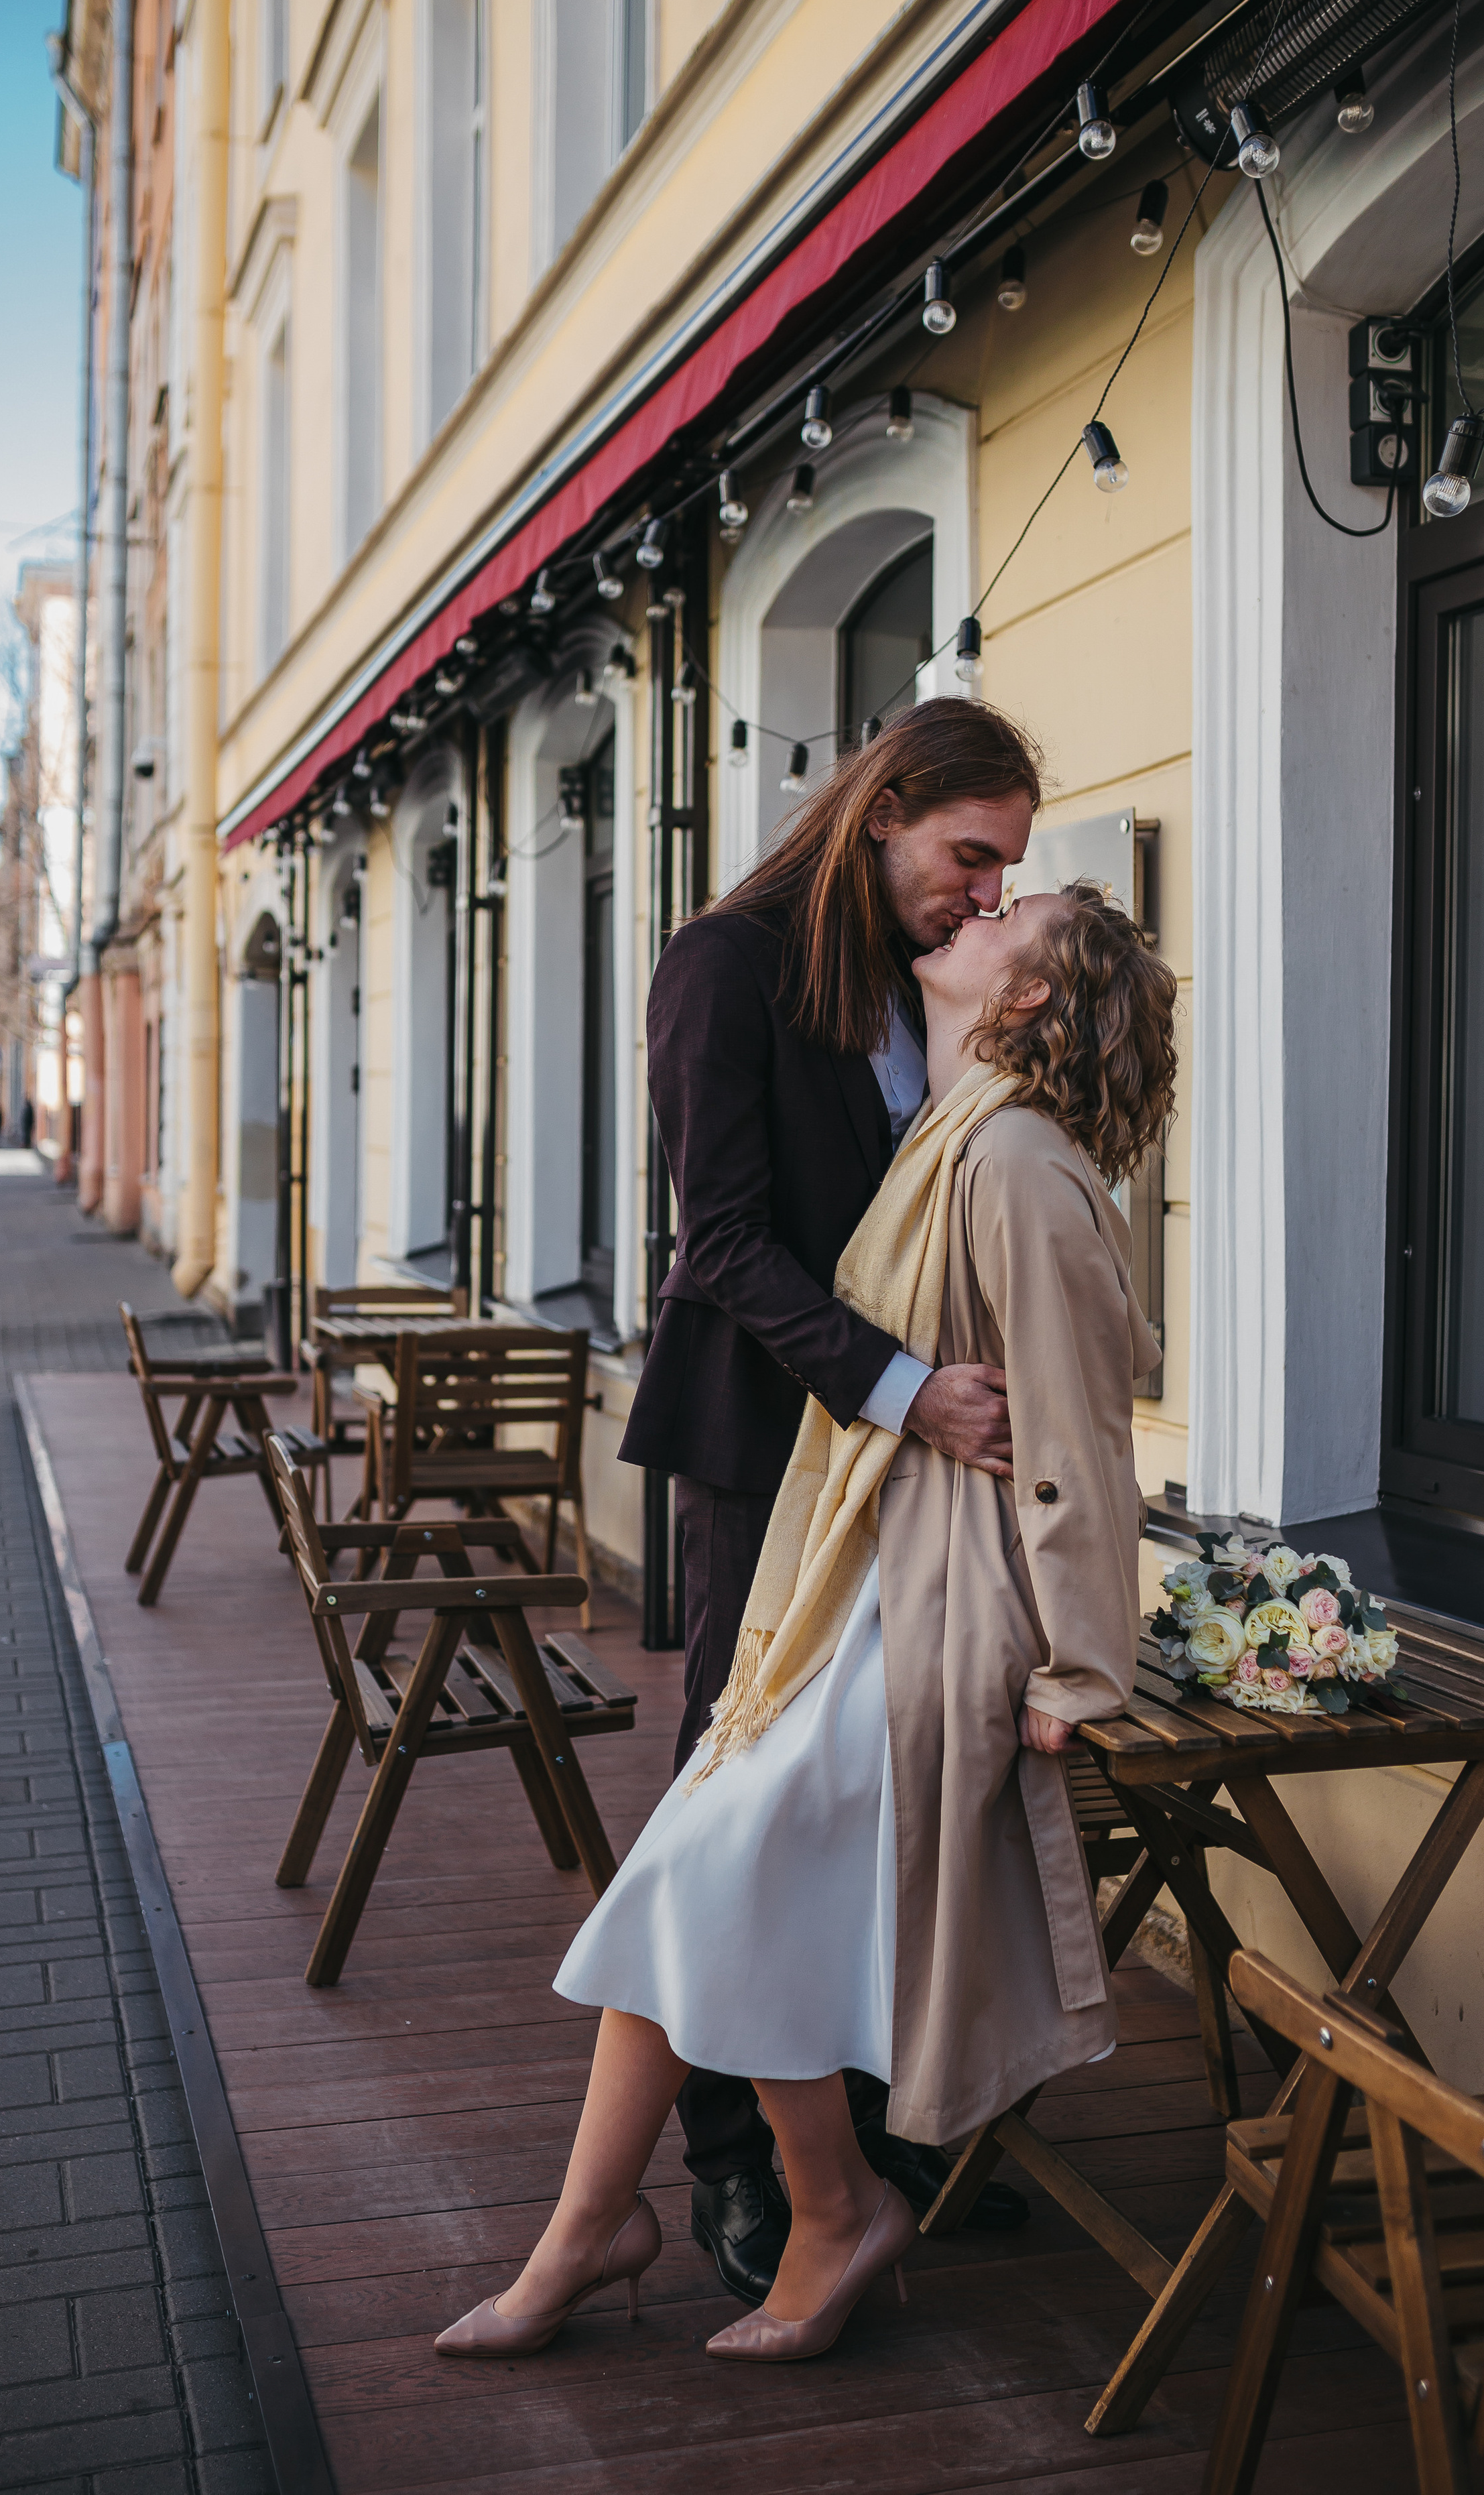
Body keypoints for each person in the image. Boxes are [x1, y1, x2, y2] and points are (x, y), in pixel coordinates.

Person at [435, 874, 1175, 2364]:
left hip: (933, 1603)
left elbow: (1084, 1433)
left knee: (715, 1873)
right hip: (854, 1580)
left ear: (1022, 998)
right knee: (687, 1883)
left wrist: (1084, 1664)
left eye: (994, 925)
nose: (962, 922)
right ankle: (604, 2226)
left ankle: (808, 2213)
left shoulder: (1016, 1161)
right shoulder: (949, 1135)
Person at [619, 697, 1042, 2298]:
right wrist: (906, 1389)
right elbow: (716, 1241)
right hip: (763, 1450)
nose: (987, 896)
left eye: (1006, 868)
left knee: (862, 1797)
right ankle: (735, 2171)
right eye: (968, 855)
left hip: (901, 1461)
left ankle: (863, 2152)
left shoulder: (915, 983)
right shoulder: (721, 962)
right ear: (881, 813)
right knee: (735, 1802)